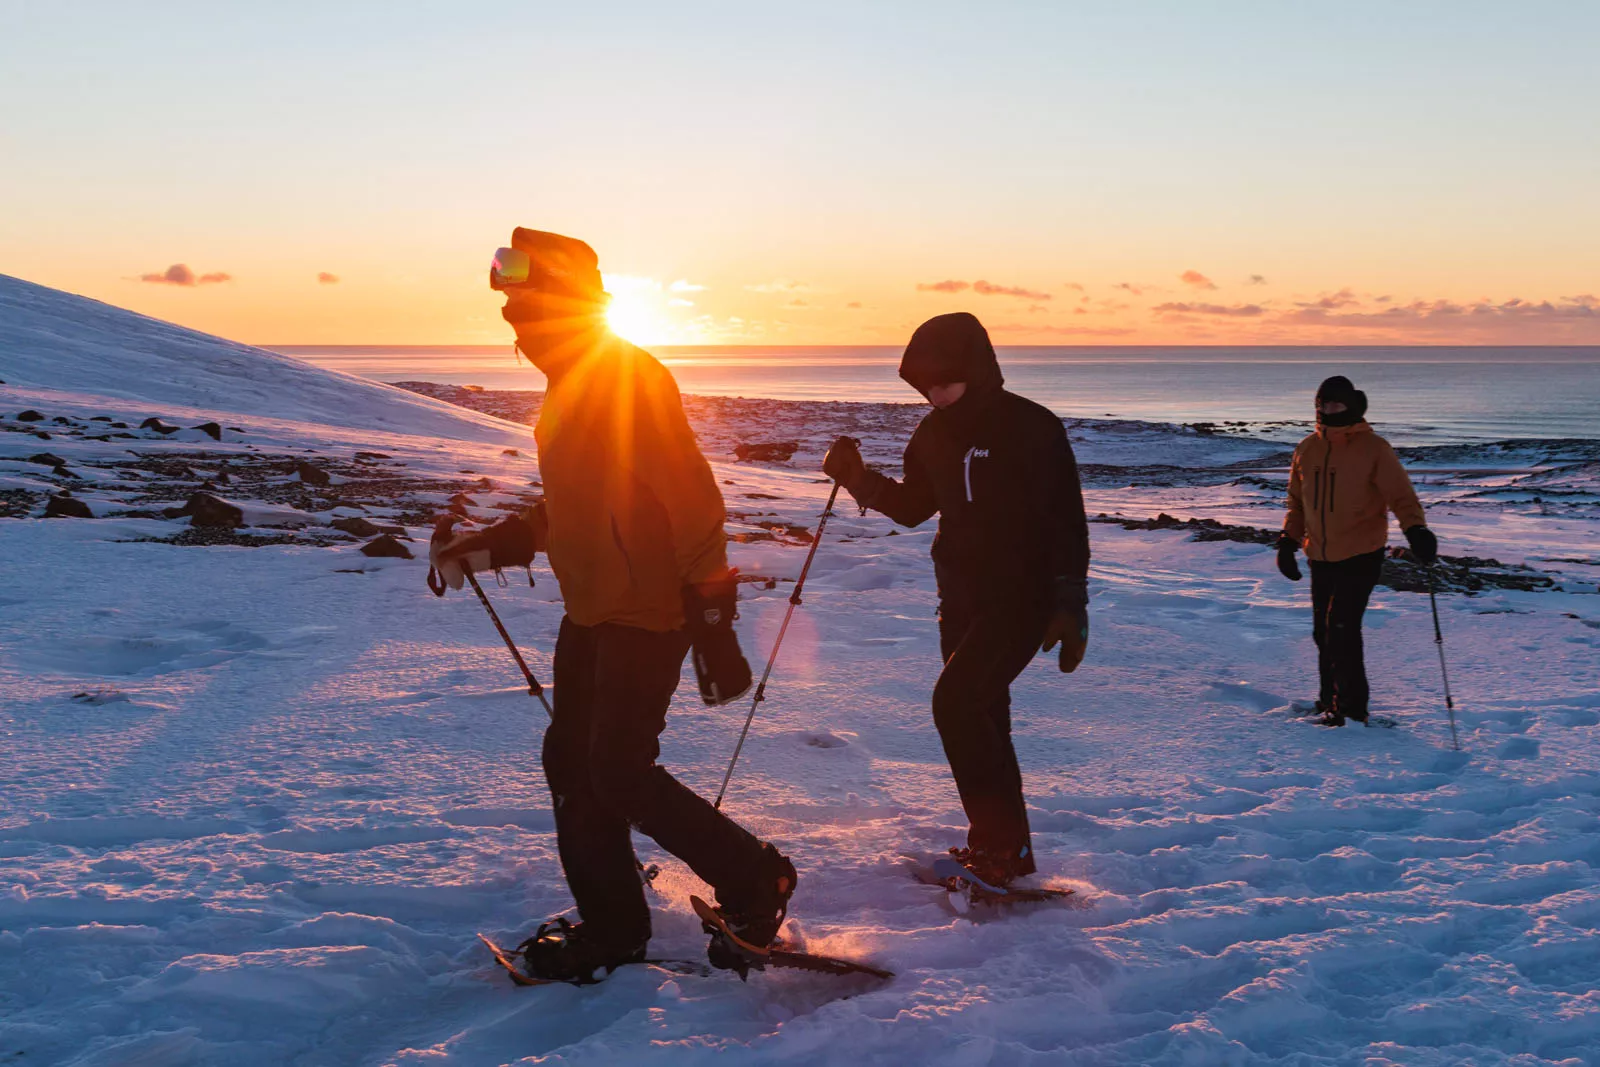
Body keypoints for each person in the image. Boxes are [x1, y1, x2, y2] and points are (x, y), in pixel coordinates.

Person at [430, 228, 796, 981]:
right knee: (572, 760)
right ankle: (615, 924)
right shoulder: (566, 390)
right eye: (507, 301)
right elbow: (567, 508)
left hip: (649, 610)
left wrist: (713, 619)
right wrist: (488, 544)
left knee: (620, 769)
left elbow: (694, 503)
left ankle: (757, 877)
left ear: (563, 300)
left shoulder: (626, 377)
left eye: (525, 299)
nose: (513, 316)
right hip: (593, 609)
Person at [821, 312, 1090, 888]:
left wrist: (1070, 600)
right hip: (960, 599)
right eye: (924, 387)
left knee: (956, 706)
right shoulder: (932, 433)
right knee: (986, 720)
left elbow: (1066, 519)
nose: (935, 395)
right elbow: (915, 507)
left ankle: (1003, 851)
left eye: (944, 382)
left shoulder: (1030, 426)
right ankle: (1004, 851)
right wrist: (858, 479)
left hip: (1021, 598)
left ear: (975, 368)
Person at [1276, 375, 1438, 727]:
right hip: (1319, 554)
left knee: (1342, 629)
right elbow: (1296, 503)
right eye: (1322, 403)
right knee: (1323, 632)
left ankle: (1350, 710)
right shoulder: (1307, 448)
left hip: (1361, 552)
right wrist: (1288, 543)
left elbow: (1401, 495)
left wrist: (1416, 529)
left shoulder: (1374, 449)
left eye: (1335, 403)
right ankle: (1329, 699)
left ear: (1353, 406)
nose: (1327, 409)